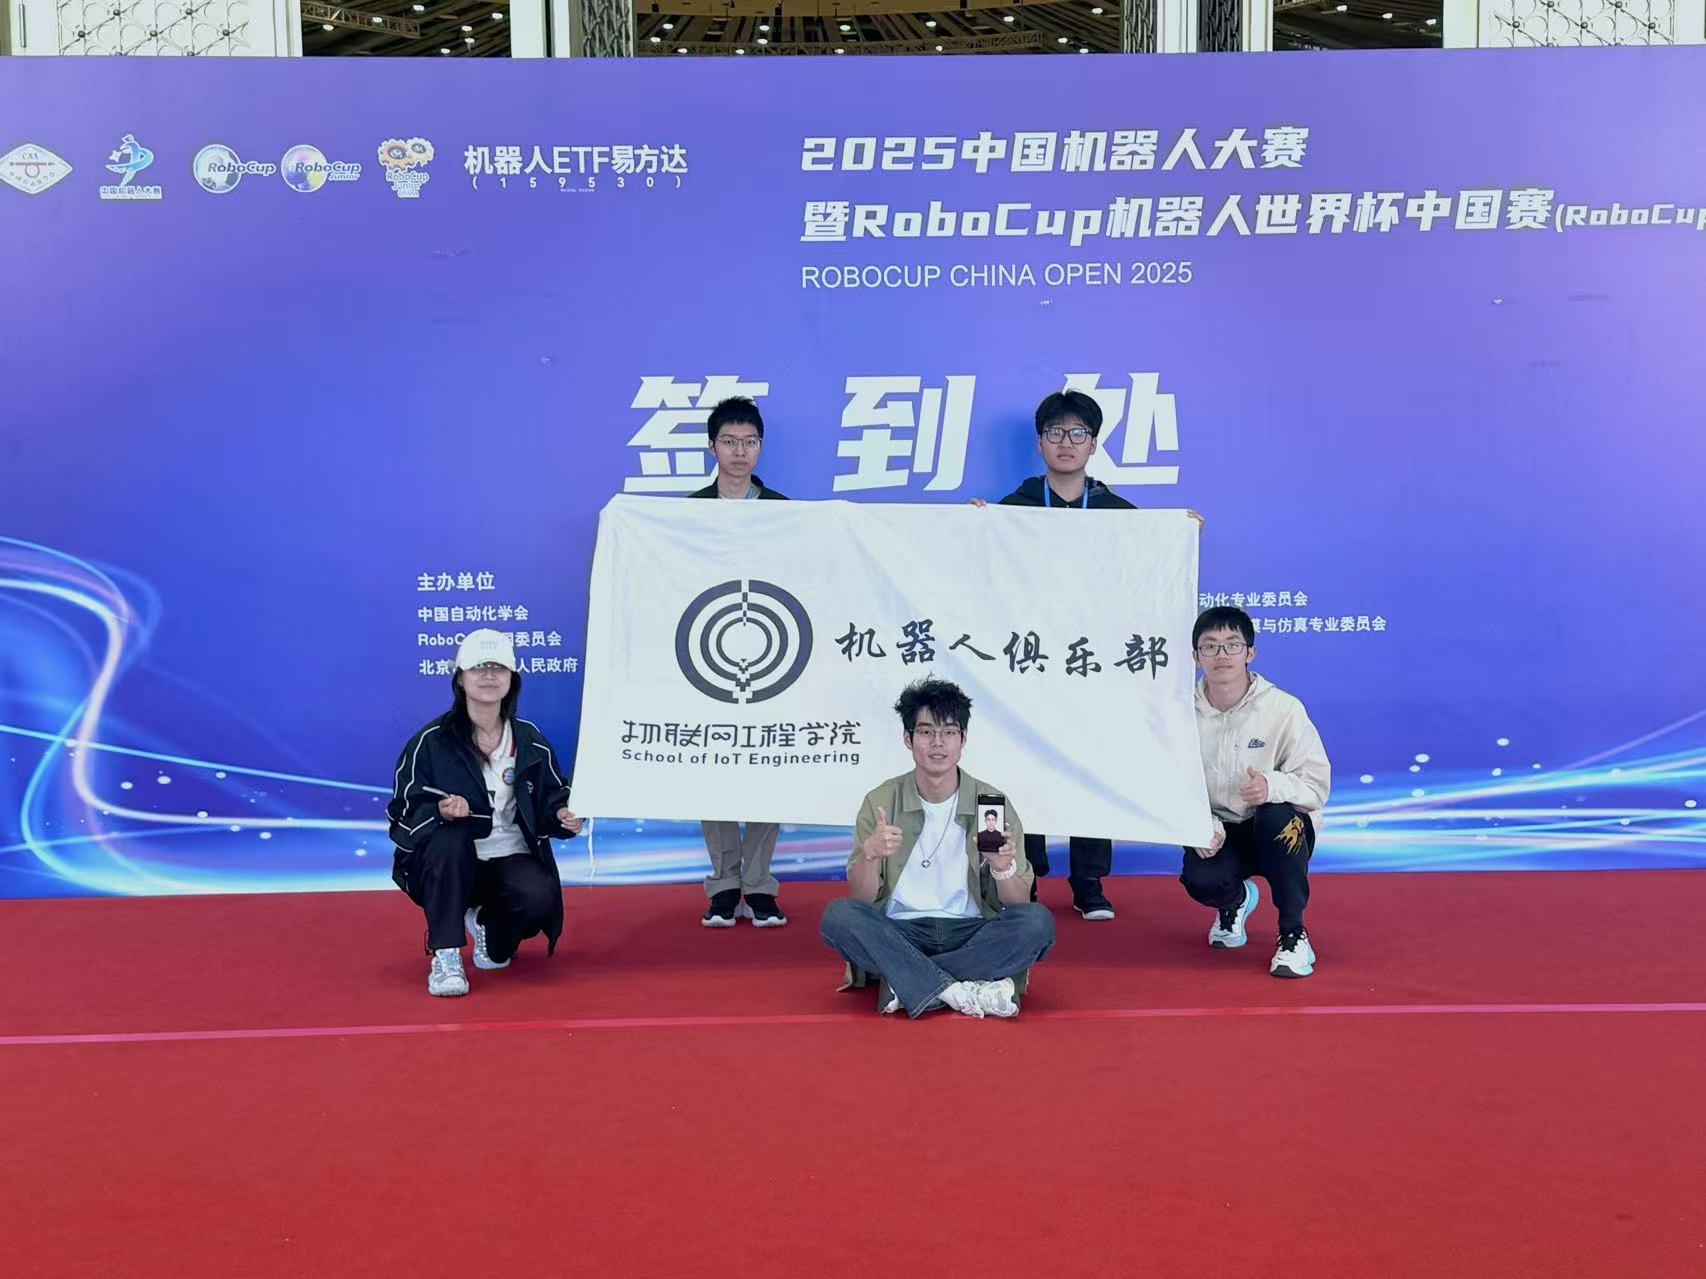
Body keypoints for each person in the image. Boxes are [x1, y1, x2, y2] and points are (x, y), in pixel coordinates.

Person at [820, 678, 1056, 1018]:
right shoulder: (881, 800)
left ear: (963, 739)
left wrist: (1002, 867)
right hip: (900, 930)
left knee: (1037, 923)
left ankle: (908, 981)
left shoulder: (991, 803)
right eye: (926, 732)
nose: (938, 743)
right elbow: (861, 900)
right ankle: (960, 990)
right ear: (908, 738)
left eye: (949, 732)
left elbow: (1019, 903)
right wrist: (869, 855)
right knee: (839, 916)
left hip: (972, 931)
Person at [387, 628, 583, 997]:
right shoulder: (431, 742)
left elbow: (552, 797)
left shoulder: (529, 740)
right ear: (460, 679)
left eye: (498, 668)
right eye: (478, 667)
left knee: (536, 899)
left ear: (512, 679)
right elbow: (402, 812)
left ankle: (487, 925)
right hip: (447, 864)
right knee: (449, 841)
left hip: (510, 857)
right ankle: (445, 953)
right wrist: (440, 812)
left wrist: (563, 816)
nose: (489, 675)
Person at [1181, 606, 1331, 978]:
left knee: (1277, 817)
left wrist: (1271, 786)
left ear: (1250, 652)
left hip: (1277, 826)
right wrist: (1201, 822)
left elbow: (1316, 784)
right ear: (1196, 656)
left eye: (1232, 645)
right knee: (1202, 881)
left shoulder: (1283, 709)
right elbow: (1166, 781)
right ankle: (1236, 901)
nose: (1221, 655)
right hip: (1219, 829)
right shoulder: (1178, 712)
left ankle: (1293, 933)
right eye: (1210, 646)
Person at [687, 395, 789, 927]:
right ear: (712, 446)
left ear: (761, 447)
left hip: (775, 650)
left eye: (750, 441)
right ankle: (724, 884)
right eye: (729, 441)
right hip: (705, 651)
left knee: (770, 764)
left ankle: (761, 882)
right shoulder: (686, 514)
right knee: (715, 765)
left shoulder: (785, 512)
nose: (740, 451)